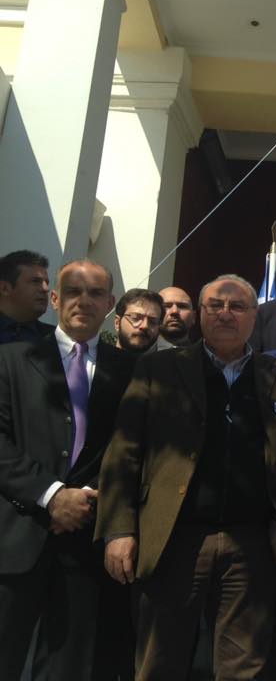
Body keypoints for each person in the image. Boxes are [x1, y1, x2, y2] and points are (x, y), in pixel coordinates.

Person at [96, 273, 276, 680]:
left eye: (237, 307)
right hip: (174, 538)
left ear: (254, 316)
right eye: (215, 306)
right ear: (200, 314)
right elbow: (124, 451)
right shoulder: (158, 368)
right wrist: (118, 529)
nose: (226, 314)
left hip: (252, 544)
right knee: (160, 661)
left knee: (245, 667)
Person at [0, 259, 135, 680]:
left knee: (68, 668)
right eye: (73, 291)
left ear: (110, 304)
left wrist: (86, 501)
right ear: (55, 299)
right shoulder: (10, 360)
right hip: (16, 536)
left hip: (86, 539)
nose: (84, 301)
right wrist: (52, 495)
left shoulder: (130, 371)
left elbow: (131, 448)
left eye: (95, 294)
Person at [0, 249, 53, 344]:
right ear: (5, 288)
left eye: (47, 283)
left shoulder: (57, 340)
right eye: (35, 281)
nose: (45, 289)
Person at [113, 288, 164, 353]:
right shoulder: (100, 357)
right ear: (117, 323)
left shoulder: (166, 359)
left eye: (153, 322)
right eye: (136, 318)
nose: (145, 326)